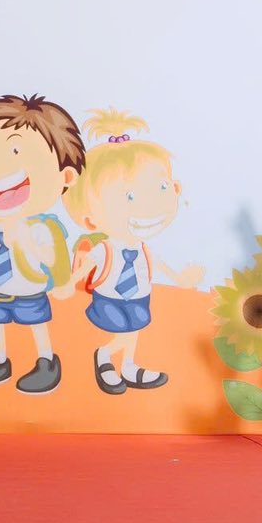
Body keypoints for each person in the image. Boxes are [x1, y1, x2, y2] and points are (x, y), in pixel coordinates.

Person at [0, 94, 86, 395]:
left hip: (28, 291)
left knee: (35, 324)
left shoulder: (40, 228)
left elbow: (52, 258)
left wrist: (27, 246)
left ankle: (46, 360)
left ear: (65, 176)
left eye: (15, 150)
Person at [65, 110, 204, 395]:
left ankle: (128, 366)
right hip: (110, 299)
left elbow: (158, 265)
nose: (149, 206)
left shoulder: (142, 248)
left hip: (139, 296)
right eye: (129, 197)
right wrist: (69, 284)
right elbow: (88, 265)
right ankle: (104, 356)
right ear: (91, 220)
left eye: (162, 187)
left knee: (135, 331)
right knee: (125, 331)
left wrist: (180, 279)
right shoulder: (105, 249)